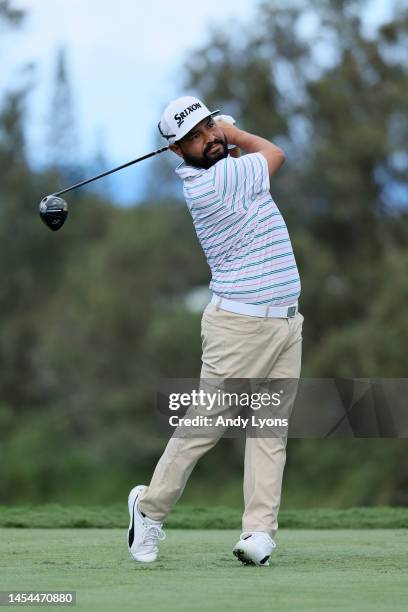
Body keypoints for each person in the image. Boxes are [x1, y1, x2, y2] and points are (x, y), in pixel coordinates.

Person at [127, 96, 303, 566]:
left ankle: (259, 532)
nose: (208, 141)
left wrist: (223, 135)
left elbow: (254, 165)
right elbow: (276, 154)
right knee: (204, 426)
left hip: (286, 321)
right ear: (177, 152)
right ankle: (147, 509)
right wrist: (234, 131)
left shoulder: (229, 169)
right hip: (239, 327)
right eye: (195, 138)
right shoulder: (217, 182)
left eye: (208, 128)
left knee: (269, 429)